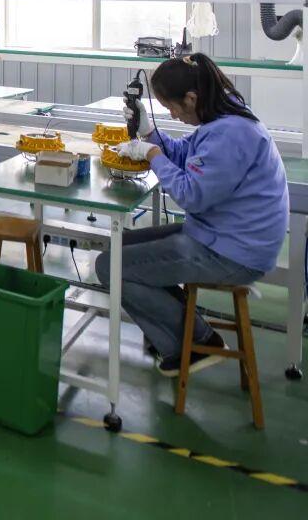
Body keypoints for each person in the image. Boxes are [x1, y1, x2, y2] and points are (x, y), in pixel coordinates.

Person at [99, 53, 288, 376]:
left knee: (110, 266)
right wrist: (149, 133)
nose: (172, 114)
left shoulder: (232, 134)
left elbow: (191, 195)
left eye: (172, 107)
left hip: (233, 253)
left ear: (191, 98)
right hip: (220, 235)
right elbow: (185, 155)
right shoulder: (222, 118)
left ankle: (197, 341)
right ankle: (178, 333)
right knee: (120, 245)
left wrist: (152, 154)